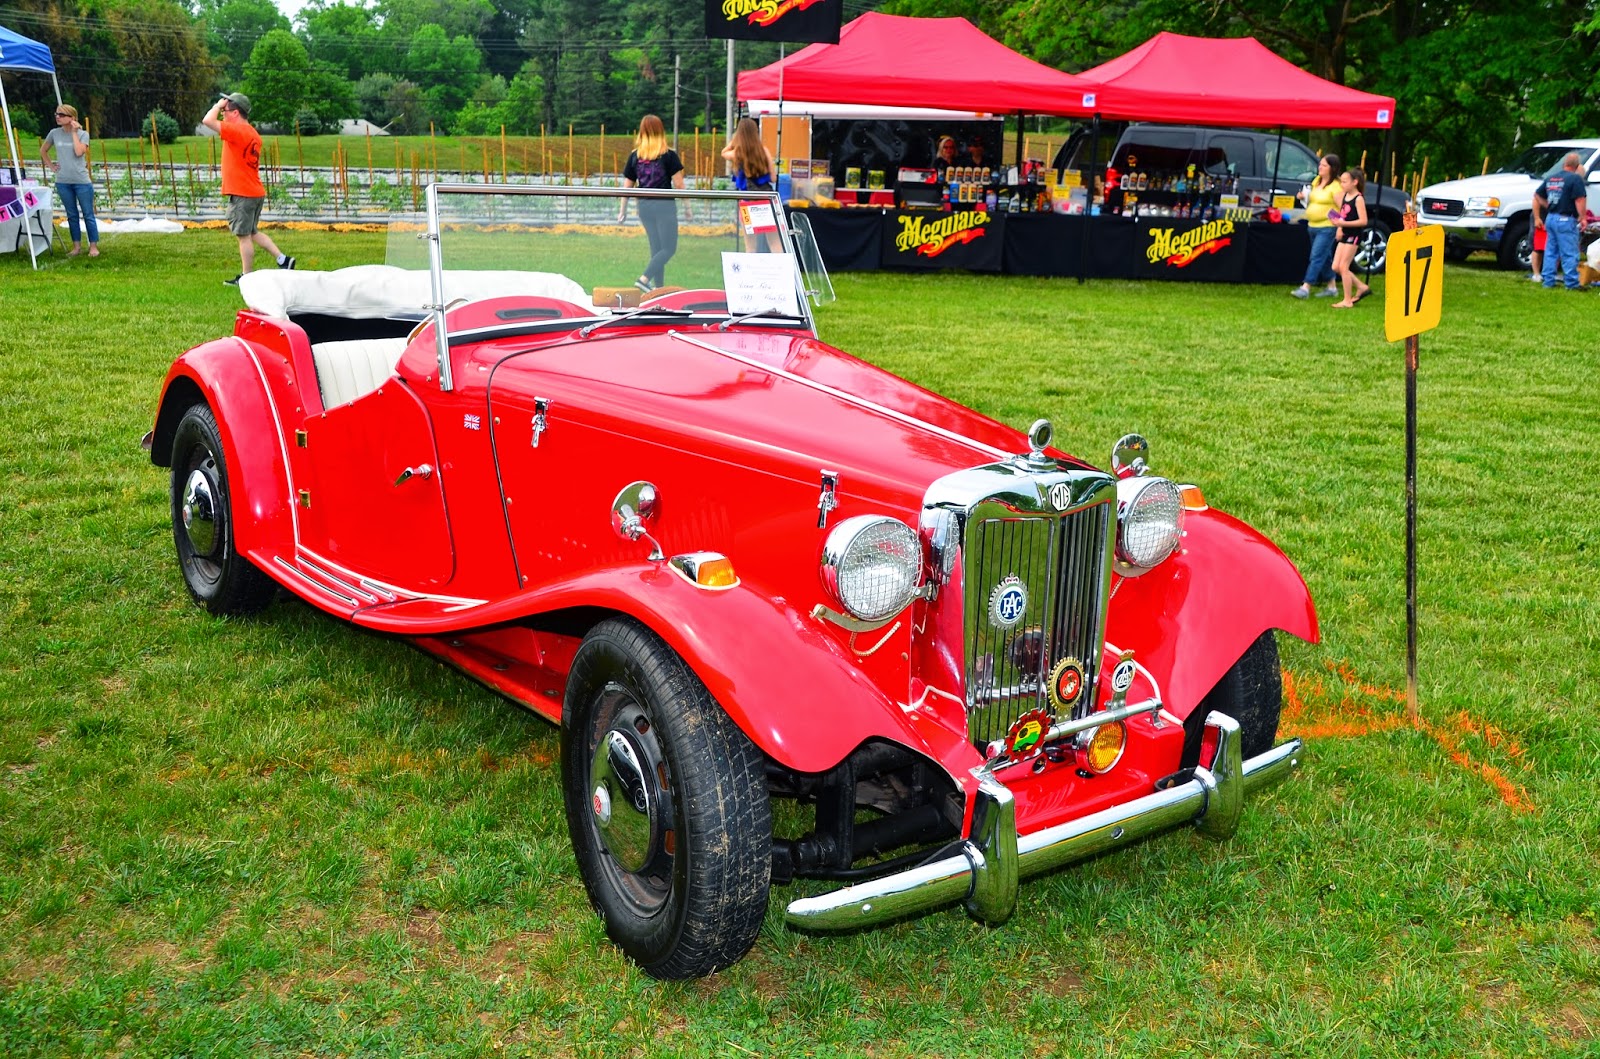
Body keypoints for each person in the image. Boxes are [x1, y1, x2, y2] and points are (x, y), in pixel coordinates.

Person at [202, 93, 294, 286]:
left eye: (226, 111)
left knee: (243, 237)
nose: (222, 115)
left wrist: (217, 105)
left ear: (235, 113)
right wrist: (222, 108)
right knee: (252, 232)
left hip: (242, 193)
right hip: (254, 191)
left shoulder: (237, 132)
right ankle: (283, 260)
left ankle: (247, 278)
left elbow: (207, 121)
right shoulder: (252, 133)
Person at [618, 114, 685, 293]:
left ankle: (658, 289)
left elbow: (627, 186)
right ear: (660, 131)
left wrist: (622, 211)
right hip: (665, 207)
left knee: (657, 249)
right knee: (669, 248)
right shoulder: (668, 155)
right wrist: (688, 207)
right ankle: (644, 278)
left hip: (645, 208)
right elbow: (679, 184)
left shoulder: (635, 156)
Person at [39, 104, 100, 258]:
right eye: (56, 114)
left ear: (71, 118)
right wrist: (52, 167)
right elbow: (43, 151)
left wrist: (73, 132)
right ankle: (76, 246)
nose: (57, 117)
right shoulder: (54, 133)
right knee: (72, 215)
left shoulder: (83, 134)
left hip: (81, 181)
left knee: (88, 214)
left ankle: (93, 246)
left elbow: (79, 152)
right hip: (63, 181)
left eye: (61, 114)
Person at [721, 117, 781, 252]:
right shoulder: (764, 151)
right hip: (766, 199)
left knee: (750, 245)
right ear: (756, 132)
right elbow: (773, 178)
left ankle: (752, 271)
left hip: (747, 201)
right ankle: (780, 271)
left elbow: (723, 152)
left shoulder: (737, 153)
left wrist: (735, 140)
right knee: (774, 242)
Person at [1290, 153, 1341, 298]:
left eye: (1324, 165)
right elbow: (1312, 199)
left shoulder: (1336, 187)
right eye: (1320, 165)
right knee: (1324, 257)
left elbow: (1342, 208)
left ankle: (1306, 287)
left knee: (1316, 256)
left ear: (1332, 168)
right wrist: (1303, 197)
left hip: (1327, 227)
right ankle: (1332, 287)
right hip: (1312, 225)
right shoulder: (1316, 180)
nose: (1320, 167)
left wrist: (1340, 226)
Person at [1533, 152, 1587, 290]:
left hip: (1551, 218)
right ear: (1576, 166)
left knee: (1551, 251)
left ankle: (1548, 281)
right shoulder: (1575, 179)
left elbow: (1537, 194)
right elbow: (1579, 199)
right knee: (1569, 252)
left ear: (1564, 164)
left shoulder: (1552, 178)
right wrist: (1583, 217)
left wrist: (1549, 205)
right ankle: (1572, 283)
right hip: (1566, 219)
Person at [1327, 166, 1372, 308]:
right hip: (1345, 233)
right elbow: (1344, 214)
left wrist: (1344, 223)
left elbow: (1363, 221)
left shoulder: (1358, 199)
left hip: (1354, 235)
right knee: (1336, 266)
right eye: (1342, 181)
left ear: (1355, 182)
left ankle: (1347, 300)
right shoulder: (1345, 196)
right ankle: (1361, 286)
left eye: (1345, 181)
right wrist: (1339, 226)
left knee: (1344, 266)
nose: (1342, 184)